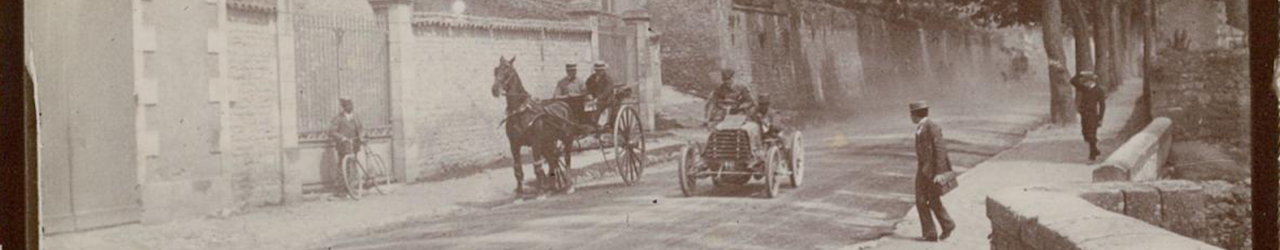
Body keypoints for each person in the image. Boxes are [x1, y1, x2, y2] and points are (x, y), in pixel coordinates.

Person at [910, 100, 955, 242]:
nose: (910, 117)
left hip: (932, 171)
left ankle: (937, 229)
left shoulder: (931, 126)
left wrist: (940, 173)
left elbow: (940, 149)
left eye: (911, 114)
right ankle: (940, 229)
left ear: (915, 114)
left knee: (925, 200)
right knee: (923, 200)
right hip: (924, 170)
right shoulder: (922, 127)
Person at [707, 69, 763, 151]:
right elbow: (715, 101)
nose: (727, 82)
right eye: (725, 80)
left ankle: (750, 149)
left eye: (729, 79)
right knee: (716, 129)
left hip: (739, 114)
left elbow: (750, 102)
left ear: (733, 78)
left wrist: (740, 107)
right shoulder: (720, 88)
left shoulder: (741, 87)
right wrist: (721, 105)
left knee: (745, 130)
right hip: (724, 115)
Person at [329, 97, 364, 190]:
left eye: (351, 104)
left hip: (354, 144)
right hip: (343, 146)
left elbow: (361, 128)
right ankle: (341, 188)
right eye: (348, 105)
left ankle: (353, 186)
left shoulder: (355, 117)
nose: (350, 106)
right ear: (343, 107)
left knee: (353, 165)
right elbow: (332, 131)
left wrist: (361, 135)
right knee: (342, 166)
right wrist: (342, 138)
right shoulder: (338, 118)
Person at [1071, 72, 1107, 161]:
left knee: (1091, 134)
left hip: (1093, 115)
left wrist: (1100, 118)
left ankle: (1092, 155)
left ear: (1091, 81)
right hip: (1084, 115)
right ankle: (1095, 149)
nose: (1084, 83)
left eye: (1086, 81)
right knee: (1085, 134)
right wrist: (1080, 74)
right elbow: (1073, 81)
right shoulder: (1084, 88)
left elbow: (1102, 105)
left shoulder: (1099, 90)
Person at [585, 61, 615, 130]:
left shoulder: (608, 79)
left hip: (606, 100)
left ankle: (596, 124)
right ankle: (587, 123)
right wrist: (588, 94)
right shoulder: (591, 78)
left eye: (600, 70)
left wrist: (597, 98)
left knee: (597, 105)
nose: (598, 72)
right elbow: (587, 87)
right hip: (593, 99)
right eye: (597, 70)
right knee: (583, 105)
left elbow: (607, 92)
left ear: (604, 70)